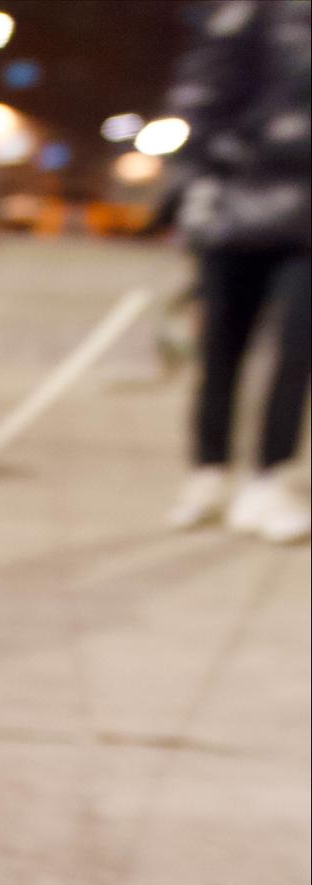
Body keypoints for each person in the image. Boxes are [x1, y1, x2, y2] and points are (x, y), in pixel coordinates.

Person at [164, 0, 311, 543]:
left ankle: (270, 479)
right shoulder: (251, 16)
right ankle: (209, 471)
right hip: (238, 203)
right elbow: (200, 94)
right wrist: (199, 172)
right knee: (222, 348)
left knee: (297, 354)